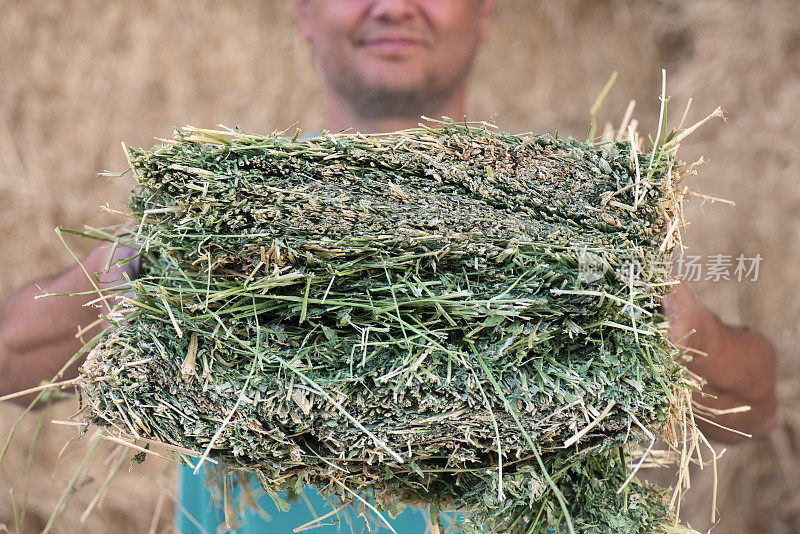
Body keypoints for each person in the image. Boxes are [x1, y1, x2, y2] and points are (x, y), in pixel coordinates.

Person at [0, 0, 778, 532]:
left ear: (483, 11)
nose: (394, 3)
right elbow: (9, 360)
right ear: (305, 15)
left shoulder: (568, 225)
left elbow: (756, 406)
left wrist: (677, 332)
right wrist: (141, 271)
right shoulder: (219, 224)